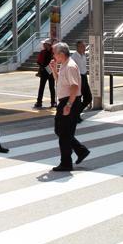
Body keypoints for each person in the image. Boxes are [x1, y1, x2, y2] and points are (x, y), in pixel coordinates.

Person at [49, 42, 89, 172]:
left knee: (64, 134)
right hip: (66, 101)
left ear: (61, 54)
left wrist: (69, 104)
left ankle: (66, 163)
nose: (53, 56)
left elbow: (74, 86)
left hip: (69, 101)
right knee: (60, 131)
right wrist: (55, 70)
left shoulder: (70, 66)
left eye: (54, 53)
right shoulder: (64, 65)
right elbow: (60, 81)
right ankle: (80, 150)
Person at [71, 40, 92, 122]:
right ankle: (76, 116)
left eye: (84, 46)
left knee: (88, 97)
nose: (84, 48)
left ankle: (76, 113)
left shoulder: (84, 55)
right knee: (78, 98)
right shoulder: (73, 57)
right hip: (78, 78)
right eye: (82, 46)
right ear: (78, 47)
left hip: (84, 76)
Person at [34, 39, 56, 108]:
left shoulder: (50, 52)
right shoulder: (51, 52)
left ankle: (40, 102)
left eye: (45, 44)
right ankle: (50, 102)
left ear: (48, 44)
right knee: (47, 87)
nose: (43, 45)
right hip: (47, 71)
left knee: (48, 87)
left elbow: (39, 61)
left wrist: (43, 66)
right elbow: (38, 61)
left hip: (48, 71)